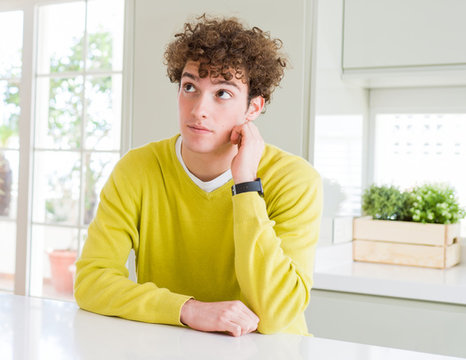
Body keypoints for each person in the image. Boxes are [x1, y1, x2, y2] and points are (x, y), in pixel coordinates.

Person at [74, 14, 322, 337]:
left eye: (222, 93)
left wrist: (246, 185)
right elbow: (91, 281)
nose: (198, 109)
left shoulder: (295, 180)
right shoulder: (137, 170)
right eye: (190, 87)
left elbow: (275, 314)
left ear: (253, 108)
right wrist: (189, 310)